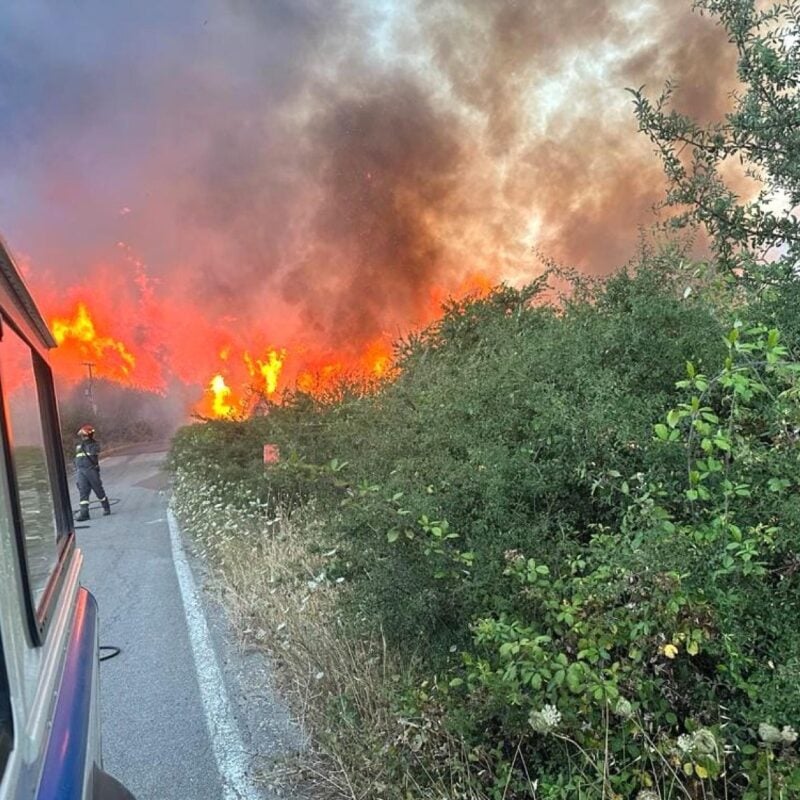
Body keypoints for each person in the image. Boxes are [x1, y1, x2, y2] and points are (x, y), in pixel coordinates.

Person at [74, 424, 111, 521]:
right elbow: (77, 458)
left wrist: (88, 442)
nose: (82, 437)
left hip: (91, 470)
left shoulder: (94, 445)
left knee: (98, 489)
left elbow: (95, 451)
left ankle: (106, 507)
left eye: (84, 435)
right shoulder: (79, 446)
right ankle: (84, 513)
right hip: (81, 471)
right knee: (83, 492)